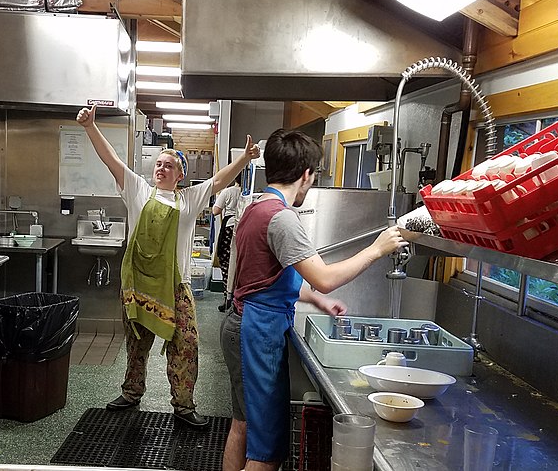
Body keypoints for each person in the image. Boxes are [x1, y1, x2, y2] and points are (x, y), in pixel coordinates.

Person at [220, 128, 407, 470]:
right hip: (257, 333)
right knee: (266, 453)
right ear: (306, 175)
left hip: (241, 323)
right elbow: (324, 278)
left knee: (243, 427)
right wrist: (377, 249)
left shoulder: (254, 206)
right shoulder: (282, 219)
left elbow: (265, 278)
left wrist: (316, 302)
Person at [76, 105, 260, 428]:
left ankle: (184, 405)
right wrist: (91, 127)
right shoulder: (138, 191)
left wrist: (244, 158)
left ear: (180, 175)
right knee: (135, 344)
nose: (160, 168)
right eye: (158, 164)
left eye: (168, 165)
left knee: (185, 345)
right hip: (138, 285)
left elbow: (219, 180)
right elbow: (112, 161)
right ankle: (132, 393)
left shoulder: (189, 200)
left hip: (176, 287)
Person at [212, 172, 242, 312]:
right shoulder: (249, 193)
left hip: (229, 227)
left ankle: (227, 298)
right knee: (239, 265)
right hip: (244, 228)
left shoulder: (228, 191)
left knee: (226, 263)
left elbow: (215, 211)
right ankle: (237, 300)